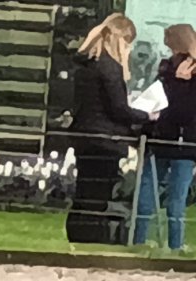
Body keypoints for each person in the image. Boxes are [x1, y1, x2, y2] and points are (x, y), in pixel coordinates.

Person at [66, 15, 156, 245]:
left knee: (84, 189)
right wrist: (146, 115)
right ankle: (92, 236)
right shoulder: (110, 68)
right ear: (120, 40)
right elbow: (118, 108)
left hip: (84, 136)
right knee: (99, 192)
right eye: (128, 44)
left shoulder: (86, 65)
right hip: (105, 138)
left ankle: (77, 233)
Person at [134, 25, 196, 250]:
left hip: (171, 139)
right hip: (181, 142)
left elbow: (179, 107)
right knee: (173, 198)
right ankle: (174, 244)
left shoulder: (166, 69)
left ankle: (140, 239)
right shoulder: (168, 68)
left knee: (155, 194)